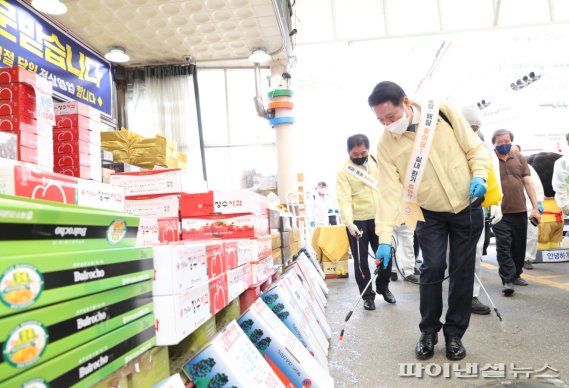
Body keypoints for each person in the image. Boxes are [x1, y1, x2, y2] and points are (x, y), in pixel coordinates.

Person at [369, 81, 490, 361]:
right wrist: (384, 239)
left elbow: (475, 149)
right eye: (380, 120)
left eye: (391, 116)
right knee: (432, 267)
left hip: (467, 206)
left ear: (406, 102)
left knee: (462, 273)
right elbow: (387, 194)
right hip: (429, 214)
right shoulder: (386, 145)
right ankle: (428, 331)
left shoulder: (442, 112)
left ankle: (454, 333)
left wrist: (479, 175)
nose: (387, 124)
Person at [336, 134, 395, 311]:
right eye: (355, 154)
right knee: (361, 262)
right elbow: (344, 199)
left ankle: (383, 287)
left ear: (368, 150)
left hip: (379, 218)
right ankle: (367, 296)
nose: (360, 156)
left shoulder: (376, 161)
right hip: (357, 222)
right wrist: (349, 223)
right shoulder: (344, 171)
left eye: (363, 153)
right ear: (348, 152)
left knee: (385, 256)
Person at [461, 106, 503, 315]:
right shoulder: (448, 145)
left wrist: (495, 203)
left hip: (476, 208)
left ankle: (471, 296)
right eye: (470, 127)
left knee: (475, 253)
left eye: (477, 128)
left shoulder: (483, 147)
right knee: (451, 257)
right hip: (449, 210)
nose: (474, 131)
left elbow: (492, 175)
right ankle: (456, 294)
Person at [491, 130, 541, 296]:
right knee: (503, 246)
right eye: (500, 141)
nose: (504, 143)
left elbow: (528, 182)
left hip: (519, 210)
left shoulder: (519, 158)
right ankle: (507, 280)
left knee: (519, 246)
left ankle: (516, 273)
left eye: (507, 140)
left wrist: (535, 207)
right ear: (494, 143)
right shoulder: (490, 160)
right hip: (499, 212)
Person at [512, 144, 545, 270]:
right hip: (513, 206)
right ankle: (514, 259)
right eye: (512, 151)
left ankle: (528, 258)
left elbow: (537, 187)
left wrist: (539, 203)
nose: (514, 154)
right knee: (514, 235)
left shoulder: (529, 167)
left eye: (517, 151)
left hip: (530, 206)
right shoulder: (502, 166)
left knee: (531, 233)